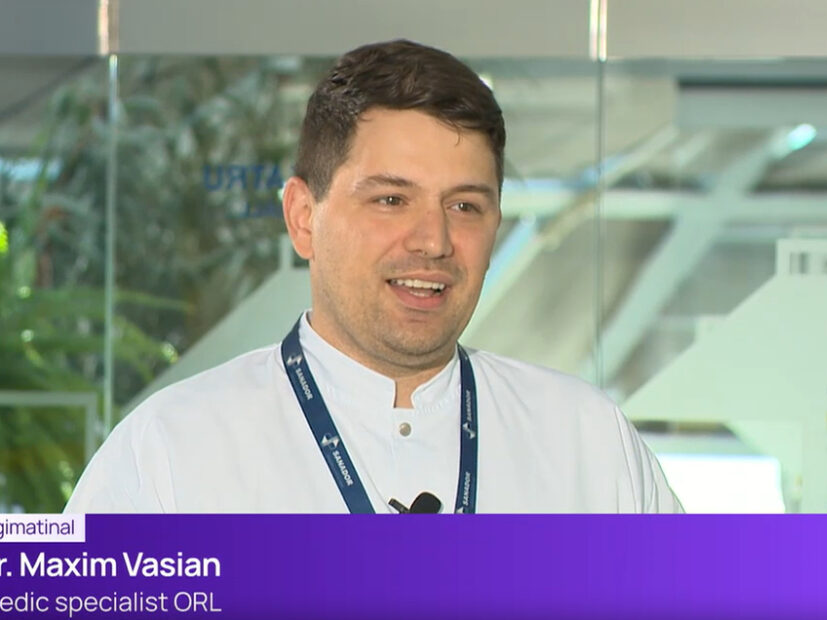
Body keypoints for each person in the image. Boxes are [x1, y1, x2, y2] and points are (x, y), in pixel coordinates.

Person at [66, 40, 681, 514]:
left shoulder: (588, 442)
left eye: (465, 205)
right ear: (303, 218)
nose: (434, 240)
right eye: (391, 200)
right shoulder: (170, 450)